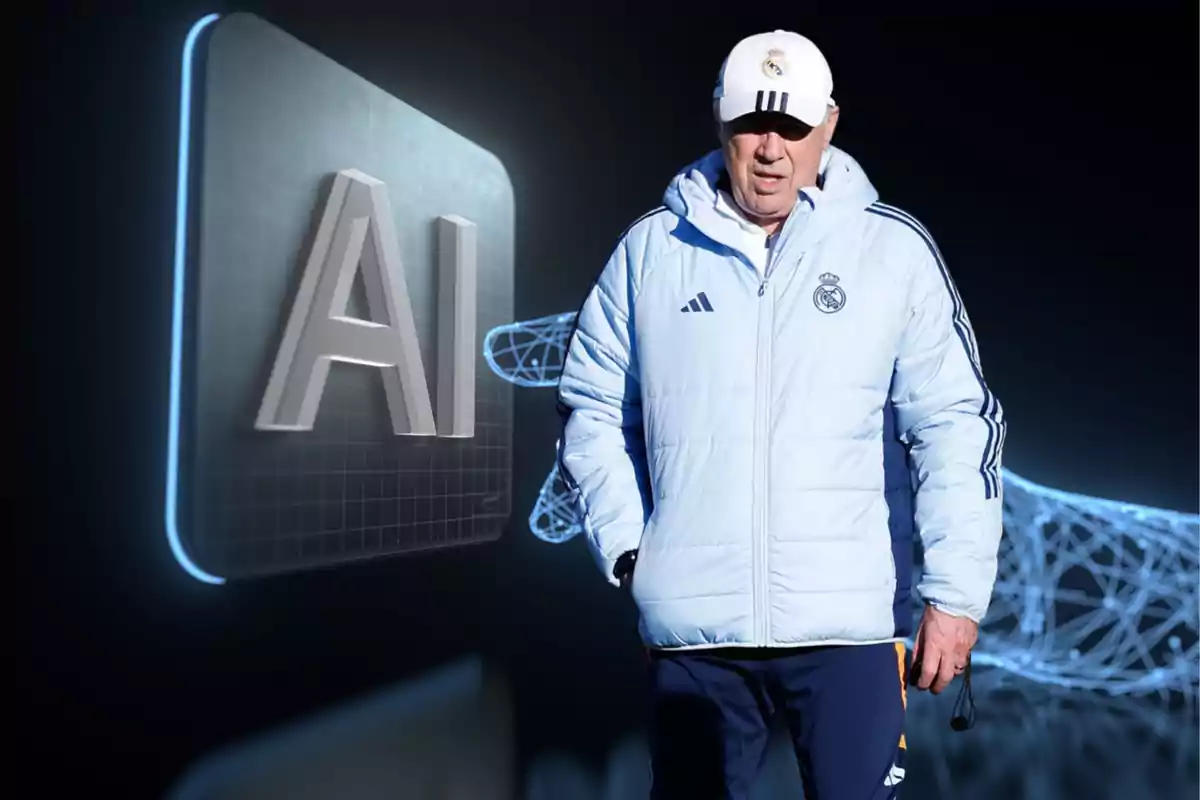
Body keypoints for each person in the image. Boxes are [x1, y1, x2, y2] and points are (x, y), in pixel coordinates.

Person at [556, 28, 1006, 800]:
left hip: (849, 635)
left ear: (828, 124)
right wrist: (634, 553)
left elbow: (954, 423)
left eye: (792, 127)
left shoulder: (890, 252)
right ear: (719, 122)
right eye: (751, 125)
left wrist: (956, 596)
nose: (770, 148)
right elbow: (590, 407)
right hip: (697, 640)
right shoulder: (651, 252)